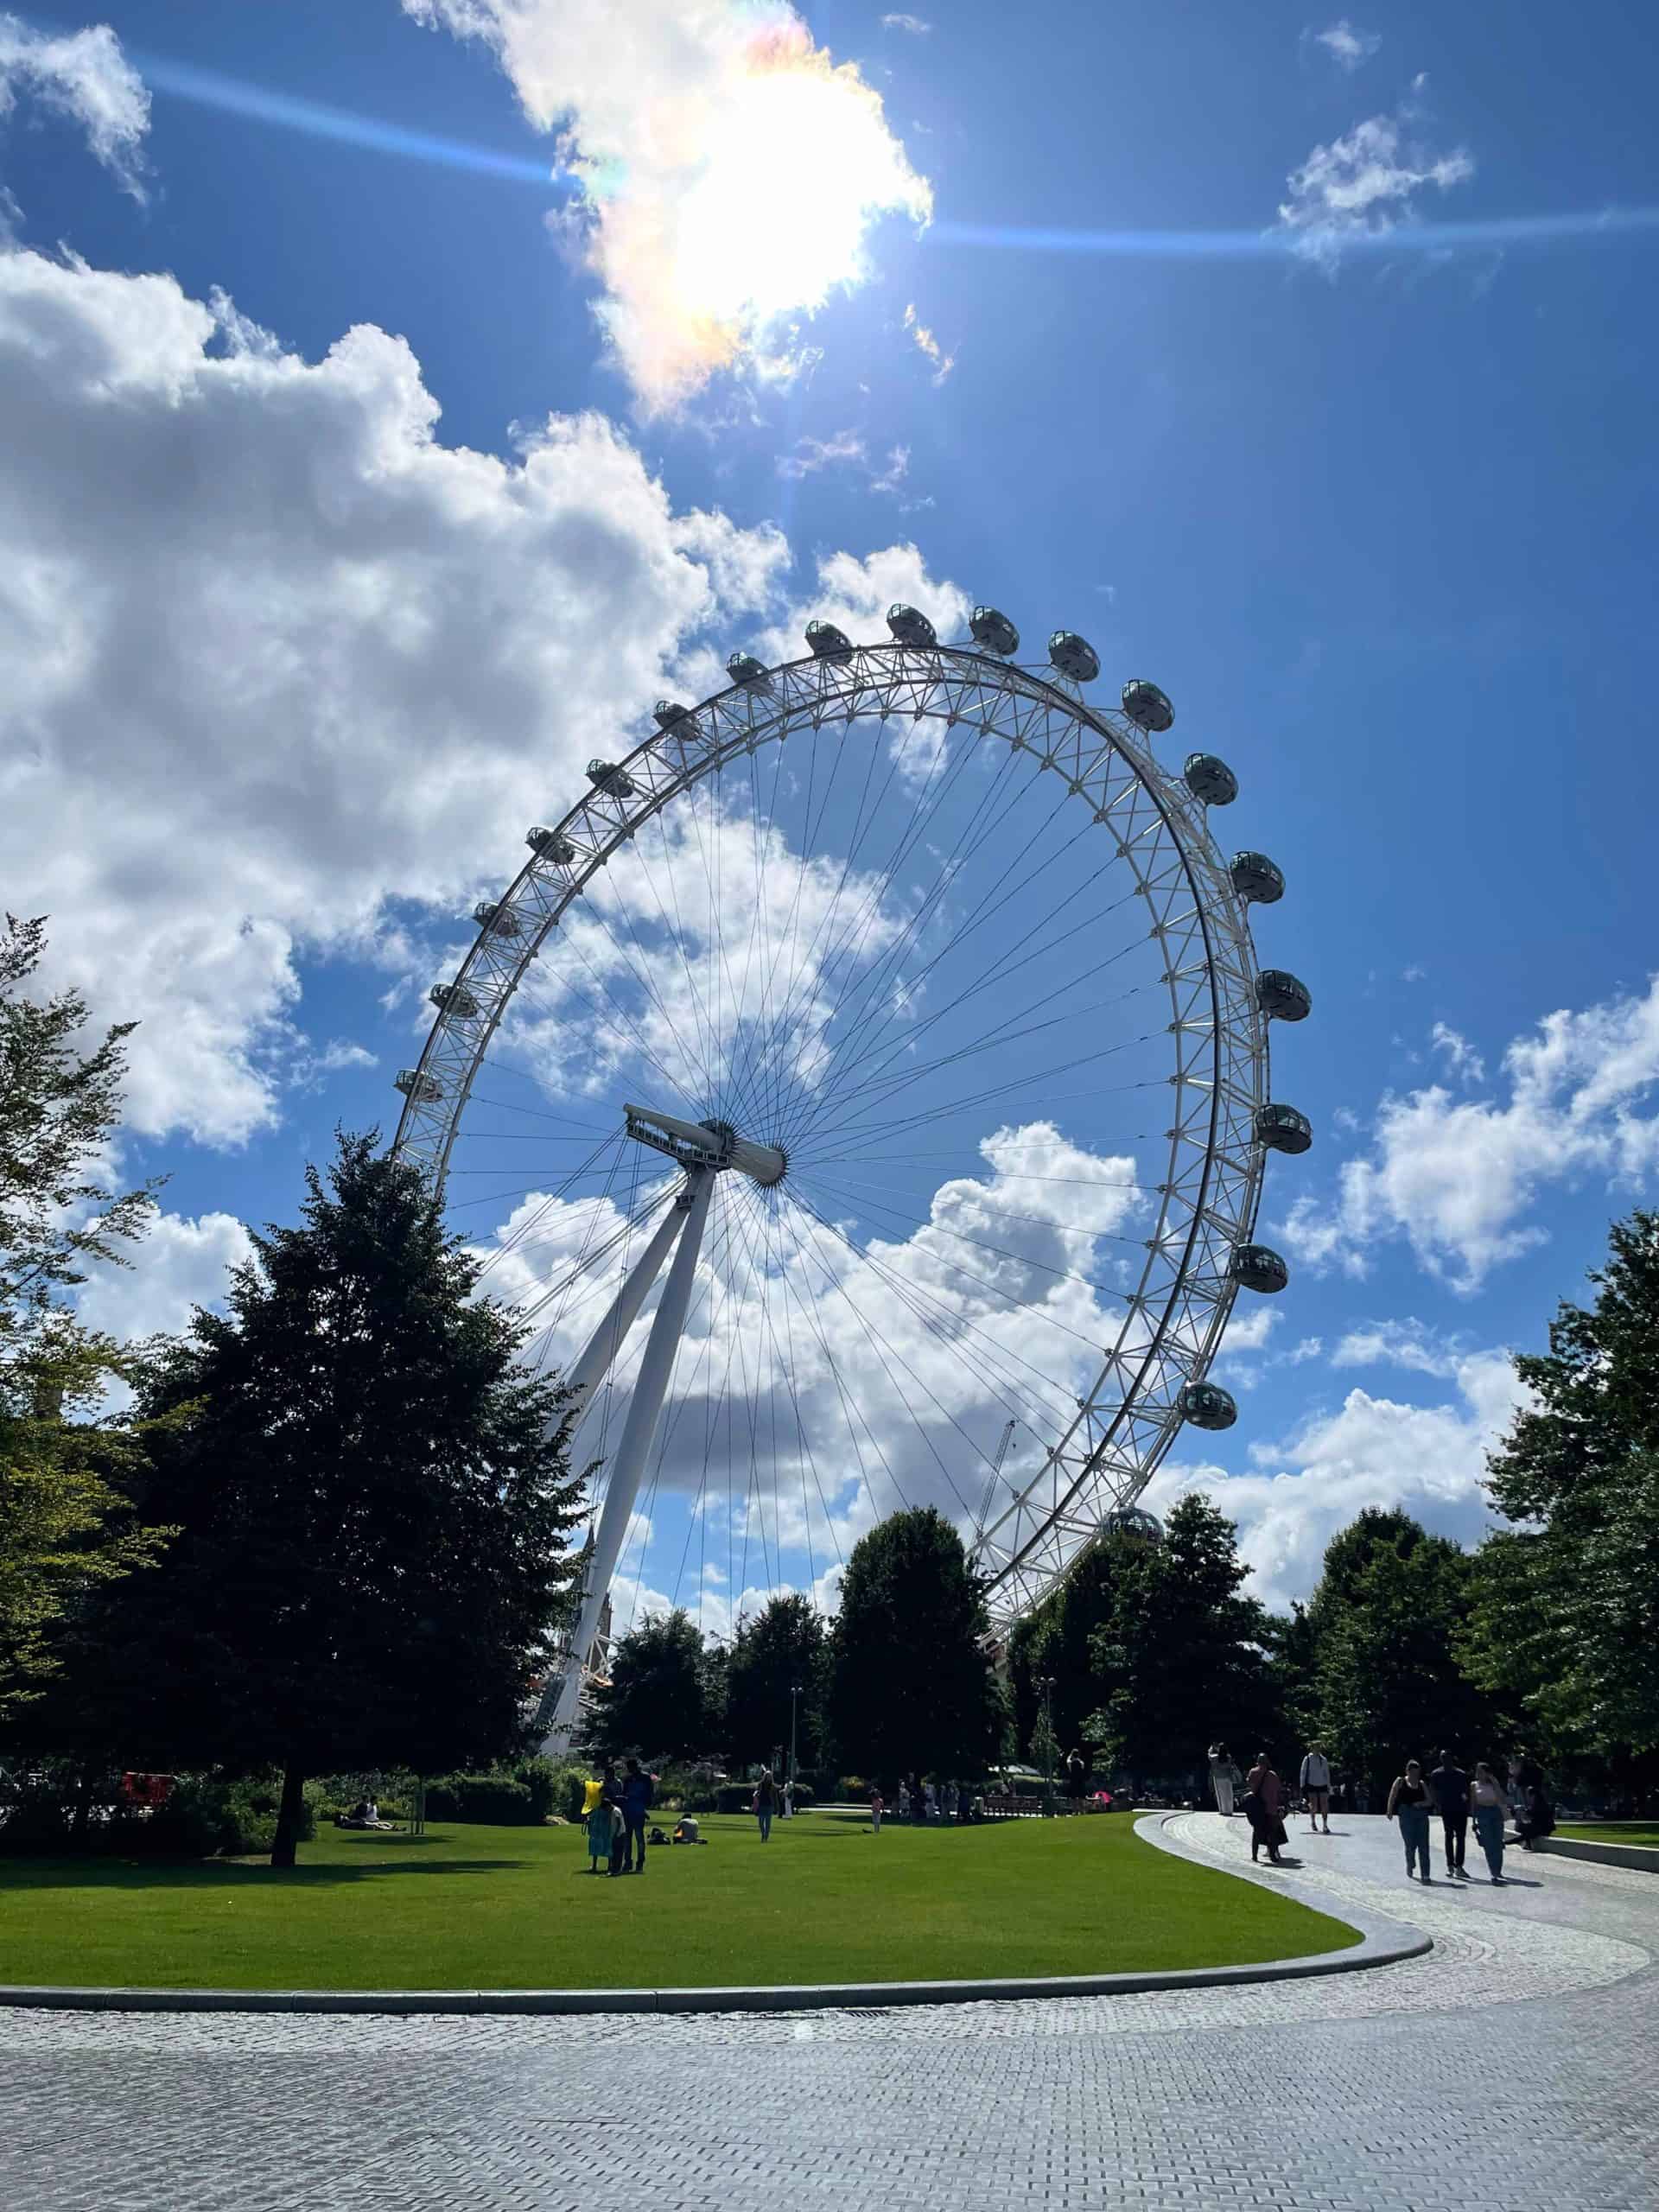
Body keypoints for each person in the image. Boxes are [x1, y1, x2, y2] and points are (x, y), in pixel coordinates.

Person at [1387, 1759, 1433, 1881]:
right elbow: (1393, 1795)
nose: (1415, 1776)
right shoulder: (1400, 1781)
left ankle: (1426, 1874)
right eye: (1413, 1773)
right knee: (1410, 1843)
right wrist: (1390, 1810)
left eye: (1417, 1773)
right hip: (1405, 1814)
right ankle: (1410, 1863)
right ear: (1408, 1771)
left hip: (1421, 1815)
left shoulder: (1422, 1784)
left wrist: (1421, 1804)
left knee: (1423, 1844)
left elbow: (1430, 1801)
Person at [1429, 1749, 1471, 1878]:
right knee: (1449, 1837)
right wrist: (1437, 1806)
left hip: (1460, 1809)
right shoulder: (1436, 1774)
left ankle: (1459, 1866)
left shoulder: (1461, 1774)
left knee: (1460, 1837)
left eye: (1447, 1757)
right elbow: (1433, 1792)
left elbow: (1466, 1793)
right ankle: (1450, 1865)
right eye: (1443, 1758)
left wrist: (1467, 1805)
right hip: (1446, 1809)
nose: (1445, 1760)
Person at [1243, 1752, 1287, 1865]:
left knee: (1256, 1831)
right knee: (1272, 1832)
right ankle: (1273, 1855)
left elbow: (1250, 1786)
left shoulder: (1253, 1772)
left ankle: (1254, 1856)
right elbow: (1278, 1791)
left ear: (1258, 1762)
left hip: (1258, 1808)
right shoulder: (1273, 1775)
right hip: (1271, 1808)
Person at [1471, 1762, 1509, 1883]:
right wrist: (1473, 1819)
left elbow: (1502, 1798)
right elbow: (1473, 1803)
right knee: (1488, 1844)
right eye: (1478, 1771)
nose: (1479, 1774)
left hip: (1495, 1812)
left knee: (1498, 1843)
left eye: (1482, 1772)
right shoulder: (1474, 1785)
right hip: (1482, 1813)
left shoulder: (1493, 1784)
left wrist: (1494, 1782)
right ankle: (1493, 1872)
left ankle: (1498, 1869)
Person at [620, 1757, 654, 1875]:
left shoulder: (644, 1778)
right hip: (629, 1809)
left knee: (639, 1838)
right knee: (628, 1839)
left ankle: (639, 1863)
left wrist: (644, 1806)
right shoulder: (628, 1779)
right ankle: (628, 1863)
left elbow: (649, 1793)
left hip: (638, 1809)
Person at [1299, 1744, 1332, 1834]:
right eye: (1316, 1747)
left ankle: (1325, 1825)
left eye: (1319, 1747)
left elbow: (1327, 1773)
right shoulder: (1307, 1759)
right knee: (1314, 1806)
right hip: (1311, 1784)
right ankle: (1313, 1821)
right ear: (1312, 1748)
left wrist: (1329, 1786)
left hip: (1323, 1784)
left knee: (1324, 1805)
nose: (1318, 1749)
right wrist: (1302, 1786)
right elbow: (1303, 1772)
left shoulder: (1323, 1759)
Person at [586, 1788, 617, 1875]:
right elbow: (591, 1813)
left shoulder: (607, 1802)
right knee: (595, 1844)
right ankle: (594, 1865)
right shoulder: (595, 1802)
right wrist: (589, 1819)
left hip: (605, 1827)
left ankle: (610, 1866)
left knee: (607, 1844)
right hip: (596, 1826)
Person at [1208, 1743, 1239, 1819]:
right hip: (1227, 1777)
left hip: (1218, 1778)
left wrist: (1211, 1749)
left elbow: (1209, 1755)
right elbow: (1230, 1766)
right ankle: (1229, 1810)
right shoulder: (1228, 1757)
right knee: (1228, 1794)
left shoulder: (1214, 1757)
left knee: (1220, 1794)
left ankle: (1222, 1810)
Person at [753, 1769, 778, 1841]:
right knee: (760, 1822)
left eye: (770, 1776)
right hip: (761, 1804)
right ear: (765, 1776)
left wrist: (776, 1807)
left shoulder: (773, 1786)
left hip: (769, 1805)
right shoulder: (760, 1784)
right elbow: (756, 1792)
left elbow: (775, 1798)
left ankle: (765, 1837)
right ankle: (763, 1834)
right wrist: (756, 1794)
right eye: (767, 1776)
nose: (768, 1777)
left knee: (768, 1823)